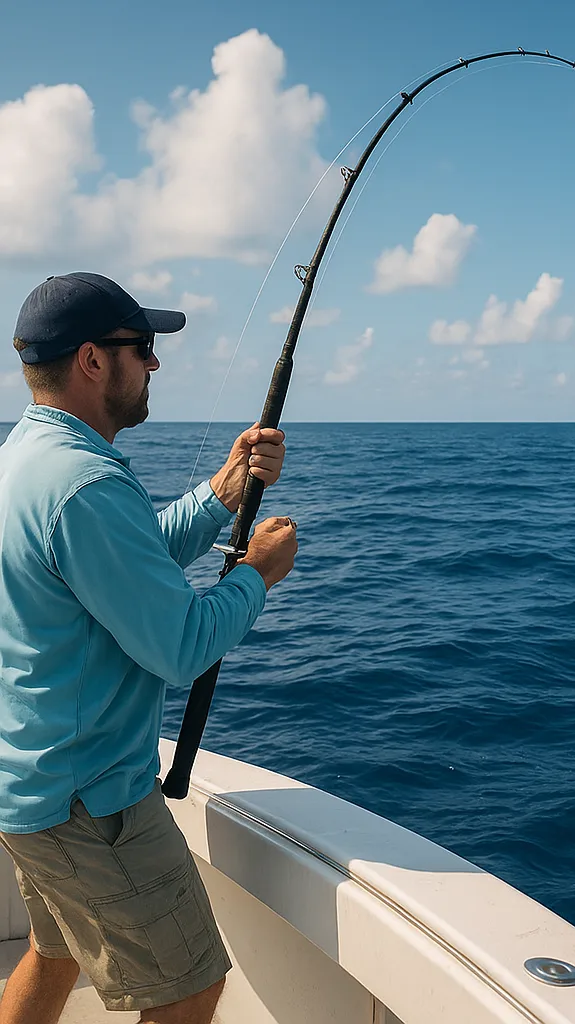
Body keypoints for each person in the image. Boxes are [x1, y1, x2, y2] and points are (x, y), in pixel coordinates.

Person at [0, 272, 298, 1024]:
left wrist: (223, 491)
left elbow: (121, 571)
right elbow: (181, 645)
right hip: (90, 805)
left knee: (56, 953)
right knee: (188, 990)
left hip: (34, 785)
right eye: (142, 346)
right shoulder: (86, 484)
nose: (154, 362)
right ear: (93, 360)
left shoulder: (27, 458)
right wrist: (258, 574)